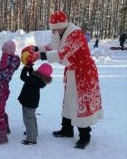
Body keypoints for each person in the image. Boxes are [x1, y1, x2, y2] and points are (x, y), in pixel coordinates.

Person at [23, 11, 103, 149]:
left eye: (55, 28)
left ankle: (85, 135)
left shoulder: (76, 34)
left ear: (61, 25)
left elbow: (62, 53)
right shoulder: (61, 34)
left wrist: (38, 56)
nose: (53, 31)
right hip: (73, 71)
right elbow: (50, 47)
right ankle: (67, 129)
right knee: (68, 100)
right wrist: (34, 48)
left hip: (83, 72)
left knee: (80, 103)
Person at [18, 62, 52, 145]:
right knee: (32, 118)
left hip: (28, 102)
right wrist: (30, 68)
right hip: (32, 102)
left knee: (28, 120)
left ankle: (31, 139)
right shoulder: (39, 80)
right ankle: (33, 133)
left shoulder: (34, 80)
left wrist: (25, 68)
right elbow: (32, 76)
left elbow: (23, 77)